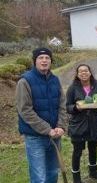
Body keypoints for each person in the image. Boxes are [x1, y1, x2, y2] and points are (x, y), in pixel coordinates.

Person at [16, 47, 67, 183]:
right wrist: (47, 129)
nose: (44, 60)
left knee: (52, 174)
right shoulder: (25, 81)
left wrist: (61, 126)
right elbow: (25, 110)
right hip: (35, 138)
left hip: (54, 136)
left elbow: (62, 105)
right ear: (35, 61)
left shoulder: (55, 80)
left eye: (47, 58)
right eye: (40, 58)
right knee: (39, 177)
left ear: (51, 61)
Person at [66, 64, 97, 183]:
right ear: (77, 74)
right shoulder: (73, 88)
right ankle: (76, 177)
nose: (83, 73)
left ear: (90, 72)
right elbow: (68, 107)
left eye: (86, 71)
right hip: (79, 124)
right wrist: (76, 108)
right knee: (77, 151)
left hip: (94, 123)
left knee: (93, 147)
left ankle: (93, 172)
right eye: (80, 71)